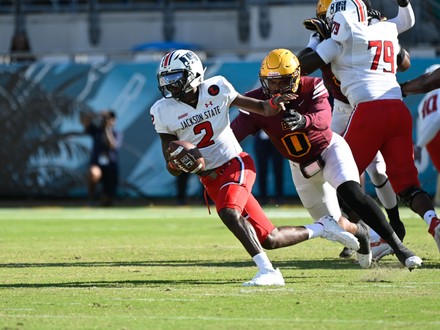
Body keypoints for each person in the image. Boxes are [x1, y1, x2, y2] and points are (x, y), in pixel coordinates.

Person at [150, 49, 360, 286]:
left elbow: (260, 108)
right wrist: (180, 163)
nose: (170, 84)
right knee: (270, 238)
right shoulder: (161, 111)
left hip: (235, 163)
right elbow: (171, 166)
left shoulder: (217, 88)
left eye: (175, 76)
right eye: (165, 78)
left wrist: (274, 103)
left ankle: (268, 271)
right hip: (209, 178)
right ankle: (323, 227)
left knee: (230, 213)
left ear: (194, 73)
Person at [231, 48, 414, 269]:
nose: (277, 88)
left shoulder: (312, 86)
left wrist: (303, 121)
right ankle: (362, 233)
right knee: (332, 225)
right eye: (272, 82)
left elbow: (323, 119)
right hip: (300, 166)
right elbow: (234, 134)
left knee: (352, 192)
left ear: (297, 77)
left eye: (283, 82)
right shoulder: (257, 102)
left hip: (329, 149)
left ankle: (398, 246)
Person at [298, 0, 439, 256]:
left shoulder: (341, 37)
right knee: (406, 183)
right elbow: (405, 23)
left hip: (364, 108)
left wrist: (315, 43)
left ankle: (374, 235)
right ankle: (432, 221)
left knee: (345, 177)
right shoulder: (382, 30)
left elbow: (298, 67)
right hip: (390, 105)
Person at [80, 110, 121, 207]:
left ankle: (106, 198)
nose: (107, 121)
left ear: (114, 120)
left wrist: (107, 129)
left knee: (106, 203)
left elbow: (112, 145)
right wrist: (95, 115)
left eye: (110, 119)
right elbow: (84, 121)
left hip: (111, 168)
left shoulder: (117, 134)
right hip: (97, 165)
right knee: (93, 172)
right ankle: (91, 198)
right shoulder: (96, 131)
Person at [414, 64, 440, 208]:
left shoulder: (423, 103)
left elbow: (423, 124)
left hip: (429, 139)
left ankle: (437, 200)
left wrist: (420, 144)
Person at [254, 130, 285, 205]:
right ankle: (263, 197)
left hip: (277, 139)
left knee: (278, 169)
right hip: (261, 140)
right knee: (262, 169)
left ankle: (279, 197)